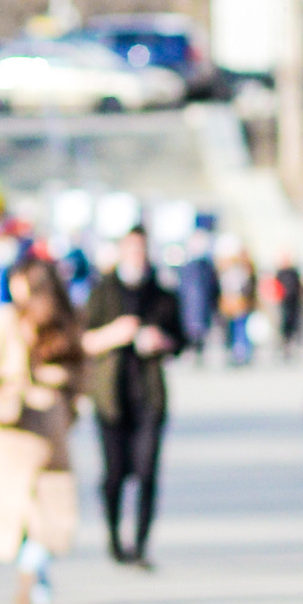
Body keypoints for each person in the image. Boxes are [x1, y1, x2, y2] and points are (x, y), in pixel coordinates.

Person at [0, 254, 86, 604]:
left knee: (26, 510)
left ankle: (32, 571)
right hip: (30, 426)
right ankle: (36, 572)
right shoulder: (60, 320)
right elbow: (80, 375)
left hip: (18, 431)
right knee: (41, 510)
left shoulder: (5, 322)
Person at [81, 223, 184, 565]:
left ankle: (141, 546)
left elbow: (181, 340)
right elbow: (85, 340)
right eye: (131, 250)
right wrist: (116, 334)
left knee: (147, 473)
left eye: (142, 250)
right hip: (111, 396)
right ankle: (113, 539)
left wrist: (162, 341)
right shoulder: (104, 291)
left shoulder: (162, 292)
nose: (137, 257)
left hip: (149, 396)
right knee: (114, 475)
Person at [177, 232, 221, 364]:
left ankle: (198, 353)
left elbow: (213, 287)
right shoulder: (190, 267)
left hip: (199, 306)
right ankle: (194, 352)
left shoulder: (206, 267)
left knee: (199, 332)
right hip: (192, 307)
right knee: (194, 332)